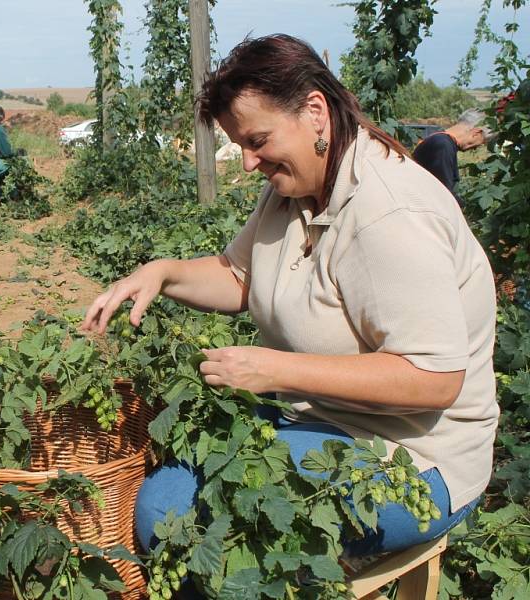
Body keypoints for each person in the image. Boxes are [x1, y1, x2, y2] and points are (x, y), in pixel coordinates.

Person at [83, 34, 498, 561]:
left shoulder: (390, 215)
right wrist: (161, 273)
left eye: (258, 140)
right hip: (318, 424)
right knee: (166, 501)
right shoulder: (293, 188)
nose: (250, 162)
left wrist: (278, 370)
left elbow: (435, 379)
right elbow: (240, 277)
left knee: (189, 519)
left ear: (315, 113)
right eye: (241, 145)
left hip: (413, 458)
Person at [412, 108, 494, 206]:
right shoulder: (443, 145)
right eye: (479, 144)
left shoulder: (438, 140)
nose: (474, 149)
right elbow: (444, 193)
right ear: (476, 133)